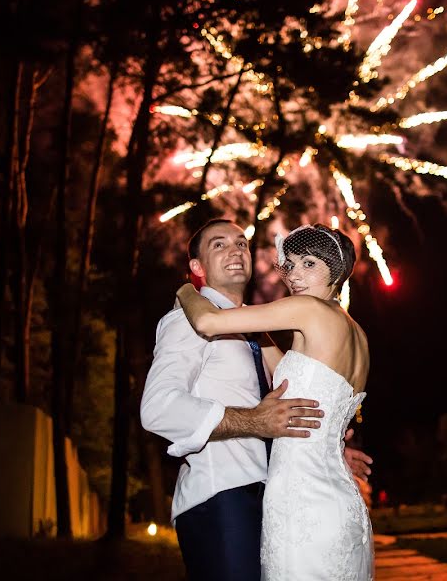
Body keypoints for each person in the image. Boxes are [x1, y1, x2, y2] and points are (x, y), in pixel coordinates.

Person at [140, 219, 373, 581]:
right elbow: (158, 408)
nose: (236, 250)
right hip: (222, 494)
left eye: (241, 243)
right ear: (197, 267)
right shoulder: (184, 322)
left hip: (280, 494)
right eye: (219, 245)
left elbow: (295, 396)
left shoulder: (296, 318)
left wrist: (326, 444)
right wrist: (189, 291)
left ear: (337, 270)